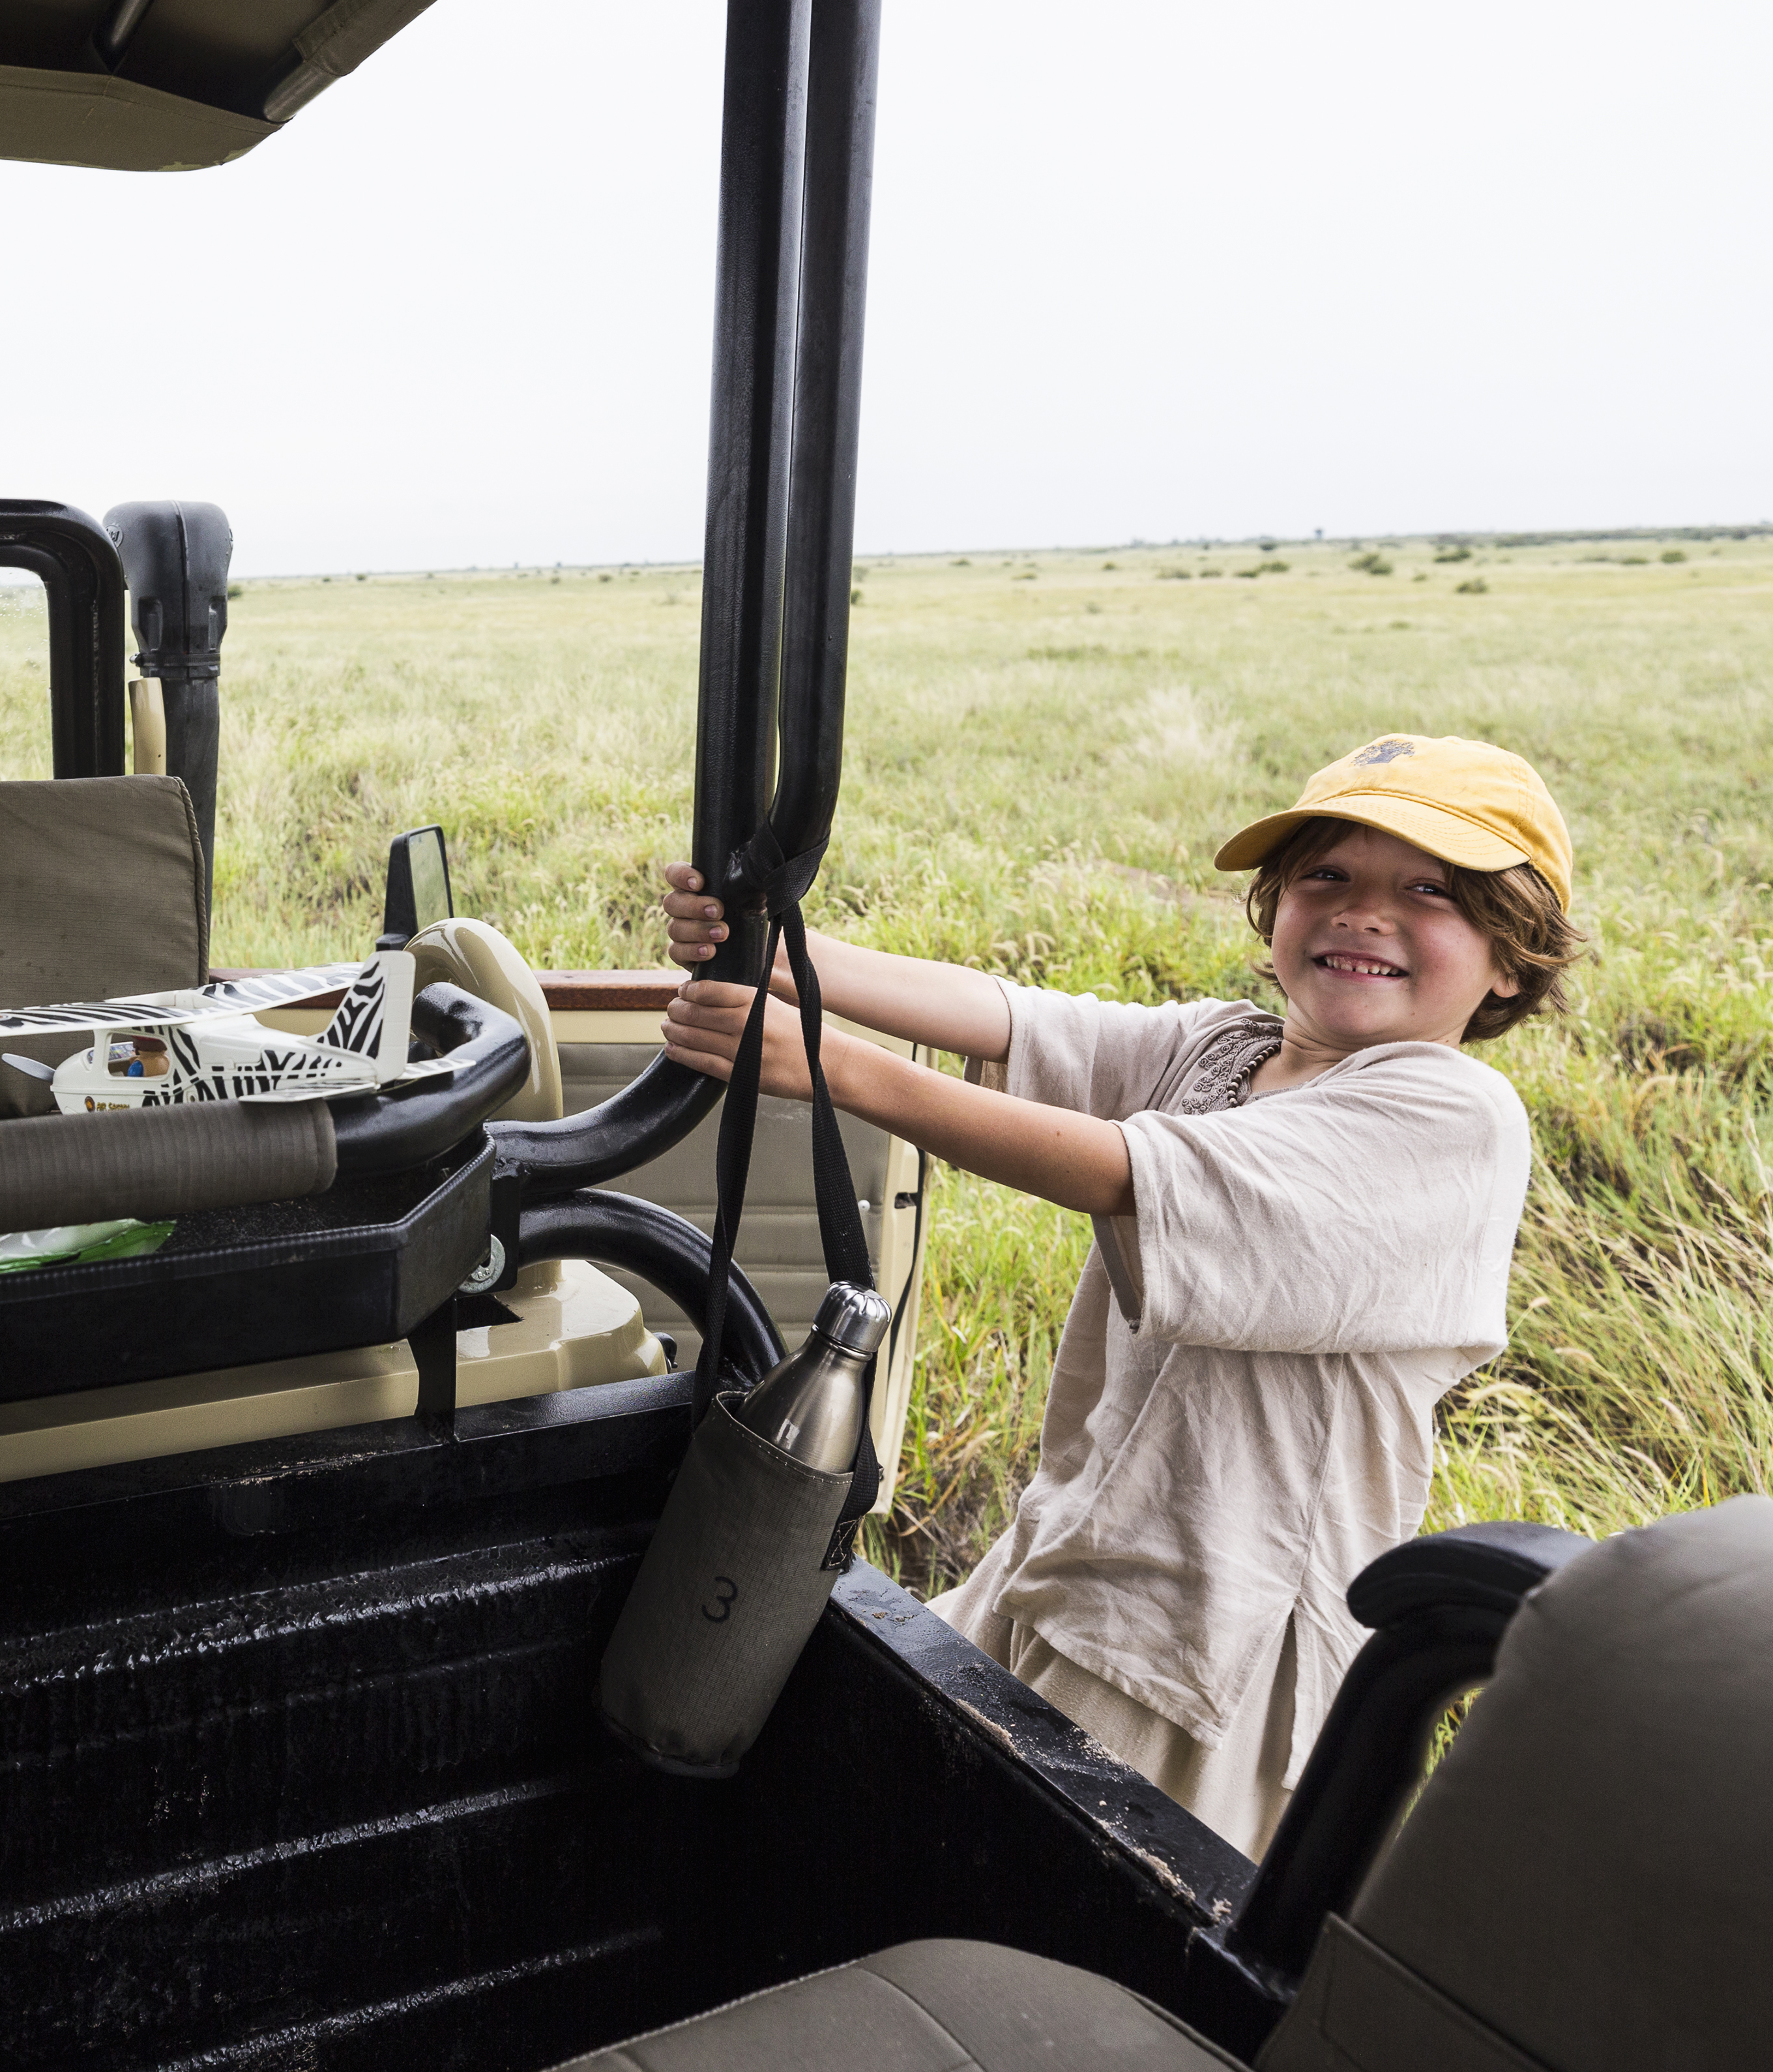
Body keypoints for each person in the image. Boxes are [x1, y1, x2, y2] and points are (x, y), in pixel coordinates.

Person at [655, 733, 1587, 1856]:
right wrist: (781, 951)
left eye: (1427, 891)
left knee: (1065, 1898)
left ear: (1509, 962)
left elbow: (1124, 1170)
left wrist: (832, 1064)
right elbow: (1007, 1015)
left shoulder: (1451, 1117)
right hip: (1069, 1554)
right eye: (1323, 877)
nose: (1361, 912)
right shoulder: (1229, 1048)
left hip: (1208, 1634)